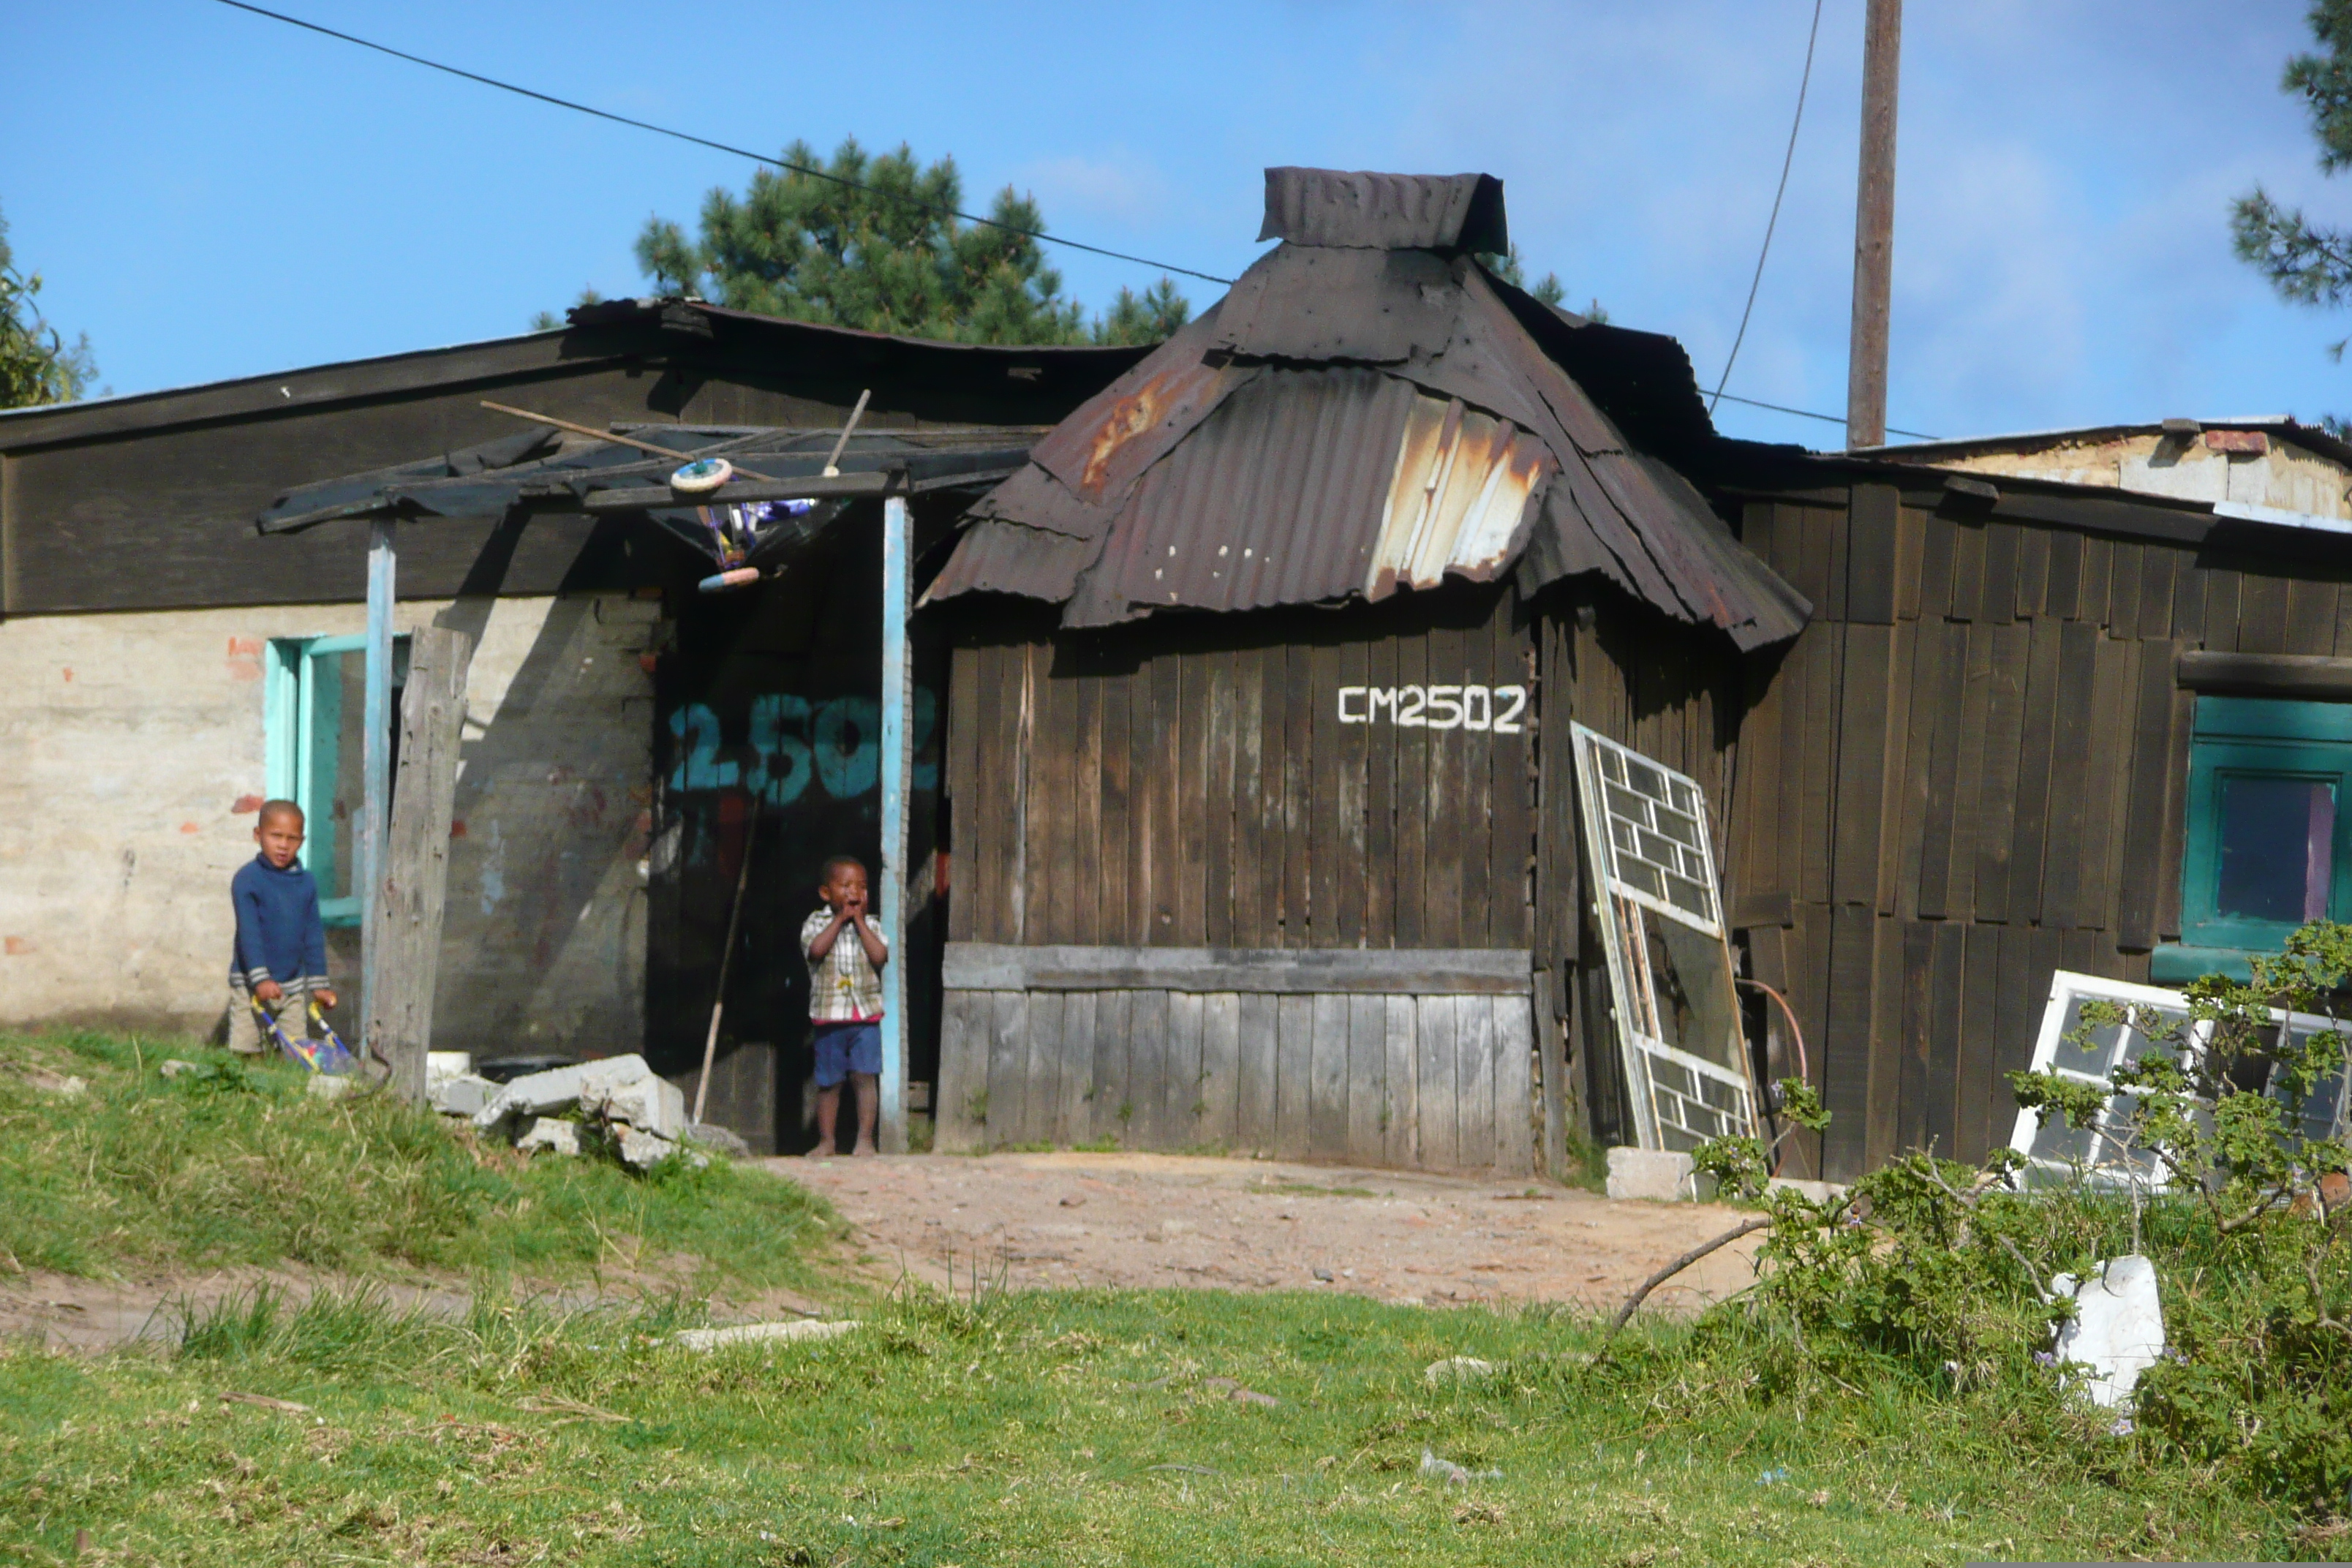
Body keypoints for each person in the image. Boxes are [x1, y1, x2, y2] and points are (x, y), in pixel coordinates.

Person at [229, 799, 336, 1055]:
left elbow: (312, 935)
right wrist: (261, 979)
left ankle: (289, 1092)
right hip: (251, 985)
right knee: (246, 1051)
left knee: (296, 1053)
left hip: (292, 986)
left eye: (293, 838)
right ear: (258, 835)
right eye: (276, 836)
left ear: (302, 841)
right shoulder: (247, 880)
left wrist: (319, 983)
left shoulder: (306, 882)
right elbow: (249, 934)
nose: (283, 845)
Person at [800, 854, 887, 1158]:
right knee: (830, 1082)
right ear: (827, 893)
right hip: (829, 1017)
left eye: (861, 887)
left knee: (865, 1077)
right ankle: (827, 1142)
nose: (854, 893)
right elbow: (815, 951)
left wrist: (860, 921)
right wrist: (840, 920)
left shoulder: (872, 924)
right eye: (846, 886)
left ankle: (865, 1140)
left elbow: (879, 957)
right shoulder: (817, 922)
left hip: (865, 1018)